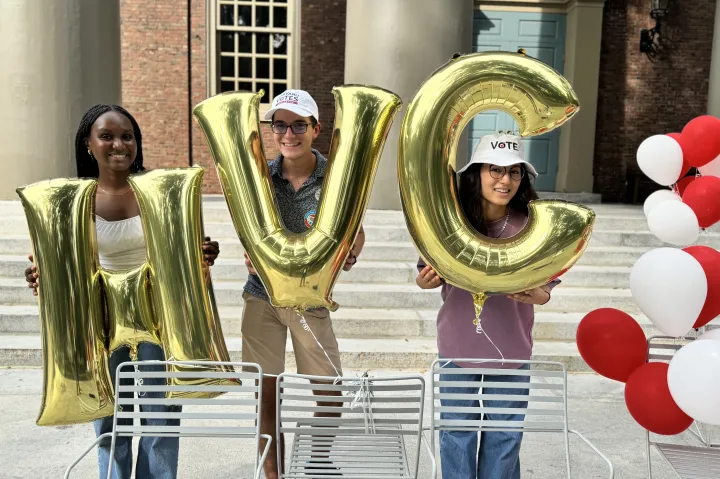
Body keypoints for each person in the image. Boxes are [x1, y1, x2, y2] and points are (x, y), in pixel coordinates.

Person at [24, 104, 220, 479]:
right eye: (107, 136)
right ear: (88, 144)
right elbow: (53, 262)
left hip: (158, 318)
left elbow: (184, 247)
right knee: (110, 420)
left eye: (127, 136)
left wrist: (204, 253)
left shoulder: (155, 191)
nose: (119, 144)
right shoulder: (73, 202)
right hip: (100, 323)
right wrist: (39, 276)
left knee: (161, 418)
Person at [416, 133, 558, 479]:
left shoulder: (533, 226)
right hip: (457, 345)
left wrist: (536, 295)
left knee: (504, 437)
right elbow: (424, 272)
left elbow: (546, 288)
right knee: (457, 434)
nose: (505, 180)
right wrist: (425, 281)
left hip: (511, 349)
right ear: (476, 173)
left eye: (514, 172)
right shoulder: (449, 222)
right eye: (495, 170)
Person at [242, 89, 365, 478]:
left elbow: (355, 231)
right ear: (272, 129)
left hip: (311, 300)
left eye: (298, 125)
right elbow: (248, 228)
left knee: (330, 392)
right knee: (266, 396)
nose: (288, 134)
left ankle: (315, 461)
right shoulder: (259, 174)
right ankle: (273, 474)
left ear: (316, 129)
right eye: (280, 125)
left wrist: (351, 251)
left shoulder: (335, 176)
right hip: (262, 299)